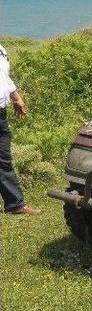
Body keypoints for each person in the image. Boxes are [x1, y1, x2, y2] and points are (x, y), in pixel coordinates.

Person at [0, 43, 41, 215]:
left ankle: (15, 205)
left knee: (3, 159)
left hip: (1, 113)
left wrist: (16, 98)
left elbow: (4, 78)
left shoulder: (1, 49)